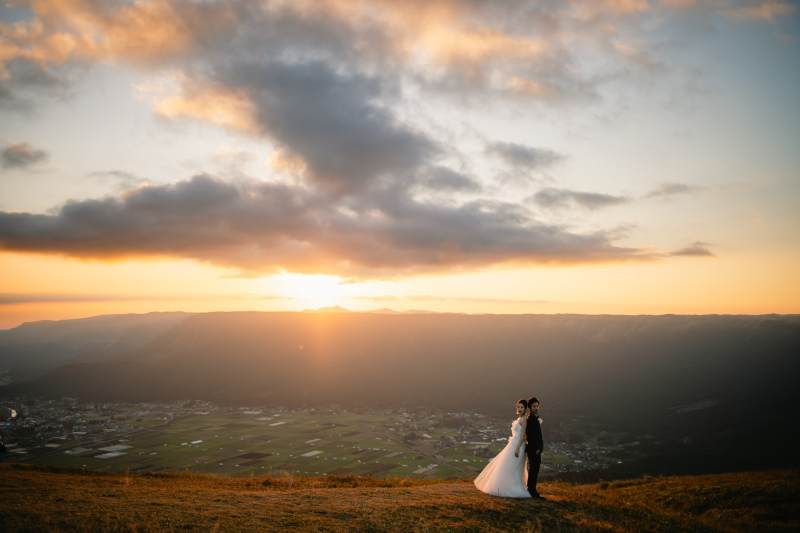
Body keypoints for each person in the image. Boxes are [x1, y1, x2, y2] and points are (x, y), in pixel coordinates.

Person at [473, 399, 531, 498]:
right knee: (508, 466)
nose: (520, 409)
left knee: (515, 467)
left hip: (518, 446)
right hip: (512, 445)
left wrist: (517, 448)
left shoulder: (524, 419)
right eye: (519, 407)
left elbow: (522, 436)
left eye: (522, 407)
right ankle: (505, 486)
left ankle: (515, 487)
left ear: (525, 409)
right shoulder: (519, 418)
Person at [525, 396, 545, 499]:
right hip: (534, 449)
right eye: (534, 406)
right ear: (530, 408)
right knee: (534, 469)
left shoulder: (534, 418)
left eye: (537, 406)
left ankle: (532, 489)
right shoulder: (531, 419)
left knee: (534, 469)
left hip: (535, 449)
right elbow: (532, 436)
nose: (536, 408)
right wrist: (537, 449)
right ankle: (532, 491)